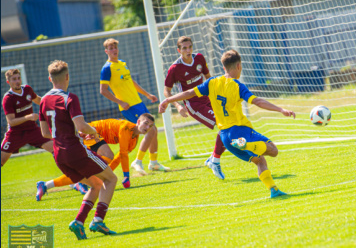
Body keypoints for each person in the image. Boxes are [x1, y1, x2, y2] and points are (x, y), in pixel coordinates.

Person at [159, 50, 296, 198]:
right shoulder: (237, 85)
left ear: (224, 67)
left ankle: (273, 190)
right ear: (238, 66)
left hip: (225, 138)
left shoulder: (212, 82)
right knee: (273, 150)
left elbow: (189, 92)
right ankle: (246, 145)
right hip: (239, 131)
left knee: (260, 160)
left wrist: (168, 100)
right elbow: (257, 101)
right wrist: (280, 109)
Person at [39, 60, 118, 239]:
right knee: (111, 179)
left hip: (59, 155)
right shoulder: (69, 97)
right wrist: (94, 132)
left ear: (50, 78)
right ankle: (98, 220)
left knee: (96, 184)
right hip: (75, 151)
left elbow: (45, 132)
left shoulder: (43, 100)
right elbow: (82, 126)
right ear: (67, 76)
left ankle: (79, 222)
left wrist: (71, 133)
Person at [35, 113, 156, 200]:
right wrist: (126, 176)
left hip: (96, 138)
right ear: (138, 122)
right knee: (107, 156)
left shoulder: (134, 140)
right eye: (145, 123)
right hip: (90, 131)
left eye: (150, 126)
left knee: (86, 171)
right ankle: (79, 182)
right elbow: (123, 153)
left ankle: (46, 185)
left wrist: (106, 176)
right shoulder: (126, 128)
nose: (147, 127)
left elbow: (119, 157)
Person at [99, 38, 169, 174]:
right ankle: (138, 161)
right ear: (106, 51)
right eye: (111, 48)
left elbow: (131, 82)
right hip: (129, 107)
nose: (114, 50)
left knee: (153, 130)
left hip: (139, 103)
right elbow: (103, 90)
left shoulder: (123, 64)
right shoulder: (106, 68)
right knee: (151, 130)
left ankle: (153, 163)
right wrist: (120, 102)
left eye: (115, 47)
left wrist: (147, 94)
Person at [164, 36, 226, 179]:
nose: (188, 50)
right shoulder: (175, 68)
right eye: (184, 48)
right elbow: (166, 90)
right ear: (179, 50)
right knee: (223, 125)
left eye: (190, 47)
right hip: (194, 105)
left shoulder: (199, 58)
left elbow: (208, 77)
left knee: (228, 123)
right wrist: (178, 106)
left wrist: (216, 95)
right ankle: (215, 161)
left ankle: (213, 159)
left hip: (208, 98)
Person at [1, 69, 54, 168]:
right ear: (8, 82)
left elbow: (38, 100)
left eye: (18, 78)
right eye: (14, 79)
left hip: (32, 130)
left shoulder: (27, 89)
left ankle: (73, 181)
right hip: (15, 133)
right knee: (1, 161)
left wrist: (52, 104)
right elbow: (11, 122)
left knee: (57, 150)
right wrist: (28, 117)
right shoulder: (8, 98)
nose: (17, 81)